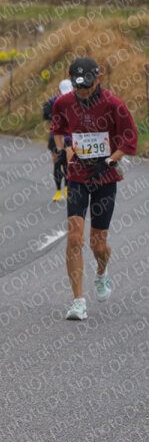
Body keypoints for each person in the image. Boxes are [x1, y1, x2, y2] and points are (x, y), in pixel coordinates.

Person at [51, 56, 137, 321]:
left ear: (98, 79)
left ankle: (101, 272)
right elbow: (57, 128)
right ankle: (78, 301)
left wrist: (109, 161)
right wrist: (63, 151)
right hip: (77, 176)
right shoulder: (63, 103)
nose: (83, 92)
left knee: (98, 245)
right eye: (79, 88)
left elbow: (129, 139)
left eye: (87, 87)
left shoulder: (113, 104)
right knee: (74, 238)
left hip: (105, 178)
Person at [43, 78, 74, 202]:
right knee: (57, 163)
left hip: (69, 137)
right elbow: (45, 115)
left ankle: (66, 188)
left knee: (67, 163)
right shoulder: (52, 101)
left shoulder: (76, 100)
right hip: (56, 136)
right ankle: (58, 190)